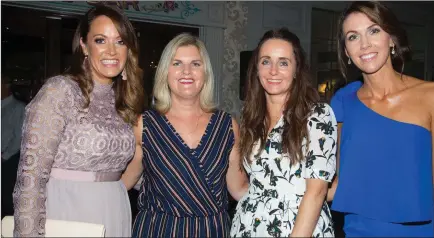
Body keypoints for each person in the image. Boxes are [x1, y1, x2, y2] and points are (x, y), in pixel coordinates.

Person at [13, 4, 144, 237]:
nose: (112, 51)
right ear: (84, 45)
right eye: (101, 40)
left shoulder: (125, 101)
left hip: (115, 209)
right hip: (68, 210)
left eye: (120, 41)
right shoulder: (60, 91)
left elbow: (135, 170)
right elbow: (30, 178)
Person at [328, 1, 434, 236]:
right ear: (346, 51)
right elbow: (338, 182)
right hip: (359, 230)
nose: (365, 44)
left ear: (391, 38)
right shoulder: (342, 102)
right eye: (353, 37)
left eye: (374, 30)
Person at [121, 33, 249, 237]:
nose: (187, 71)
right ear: (165, 72)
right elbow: (121, 184)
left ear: (205, 72)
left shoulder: (227, 126)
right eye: (177, 63)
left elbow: (239, 188)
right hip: (158, 230)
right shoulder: (144, 125)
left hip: (211, 231)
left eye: (196, 64)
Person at [230, 28, 337, 237]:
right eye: (266, 61)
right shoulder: (251, 117)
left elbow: (317, 192)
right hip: (248, 227)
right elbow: (251, 184)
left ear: (297, 69)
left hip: (300, 228)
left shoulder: (317, 116)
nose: (273, 71)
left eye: (283, 62)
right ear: (256, 68)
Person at [1, 74, 26, 162]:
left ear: (6, 86)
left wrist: (5, 156)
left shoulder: (19, 108)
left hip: (7, 159)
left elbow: (19, 137)